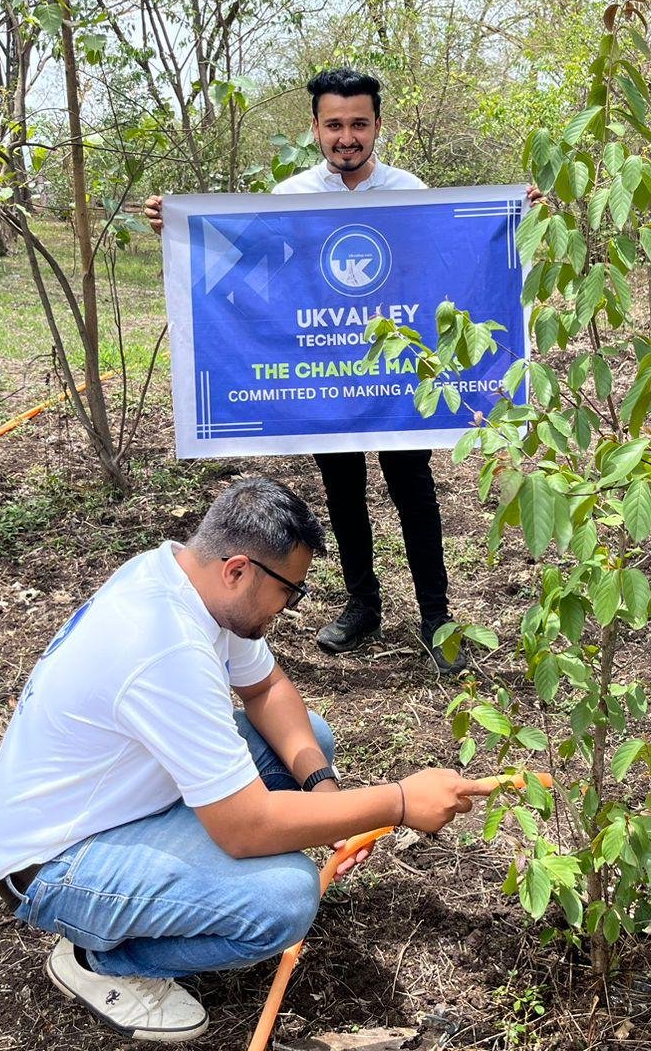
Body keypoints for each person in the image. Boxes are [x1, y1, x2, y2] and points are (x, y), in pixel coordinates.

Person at [0, 478, 495, 1042]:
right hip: (53, 863)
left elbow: (267, 688)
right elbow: (245, 830)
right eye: (289, 593)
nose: (290, 608)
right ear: (239, 569)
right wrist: (396, 802)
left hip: (115, 803)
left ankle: (144, 907)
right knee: (284, 898)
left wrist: (324, 791)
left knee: (308, 743)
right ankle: (100, 959)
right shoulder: (165, 646)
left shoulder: (183, 575)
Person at [146, 68, 465, 672]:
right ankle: (362, 605)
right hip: (323, 377)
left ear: (377, 126)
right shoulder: (292, 195)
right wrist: (181, 229)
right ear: (315, 128)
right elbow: (245, 262)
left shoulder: (410, 190)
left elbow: (451, 256)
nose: (347, 137)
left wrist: (515, 216)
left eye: (359, 124)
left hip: (397, 378)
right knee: (343, 496)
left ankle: (437, 617)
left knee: (414, 495)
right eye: (335, 125)